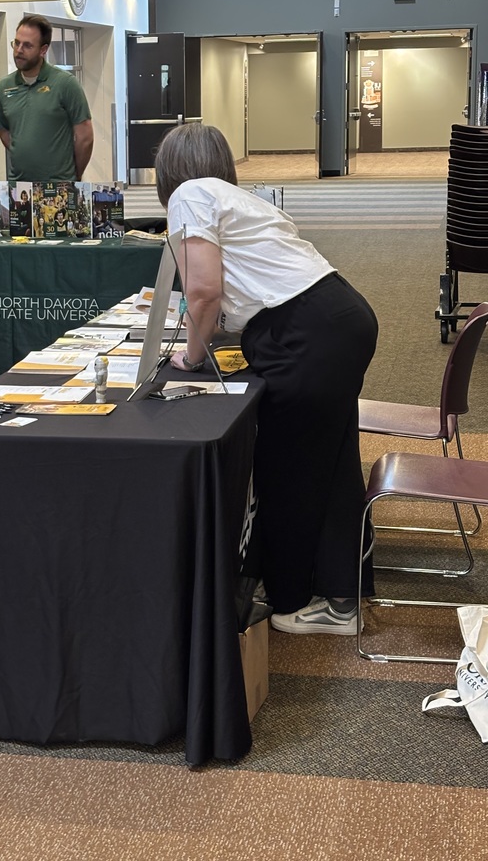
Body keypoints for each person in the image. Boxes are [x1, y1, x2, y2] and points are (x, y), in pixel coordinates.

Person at [155, 123, 378, 636]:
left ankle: (294, 598)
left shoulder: (189, 196)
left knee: (288, 467)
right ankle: (342, 596)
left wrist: (189, 357)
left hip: (305, 334)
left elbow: (205, 292)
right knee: (331, 459)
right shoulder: (239, 199)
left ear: (170, 172)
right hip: (341, 315)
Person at [0, 14, 93, 182]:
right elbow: (4, 130)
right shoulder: (3, 88)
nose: (19, 50)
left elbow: (85, 136)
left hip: (59, 185)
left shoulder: (65, 84)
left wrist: (73, 176)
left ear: (43, 50)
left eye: (27, 46)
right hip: (19, 185)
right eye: (16, 43)